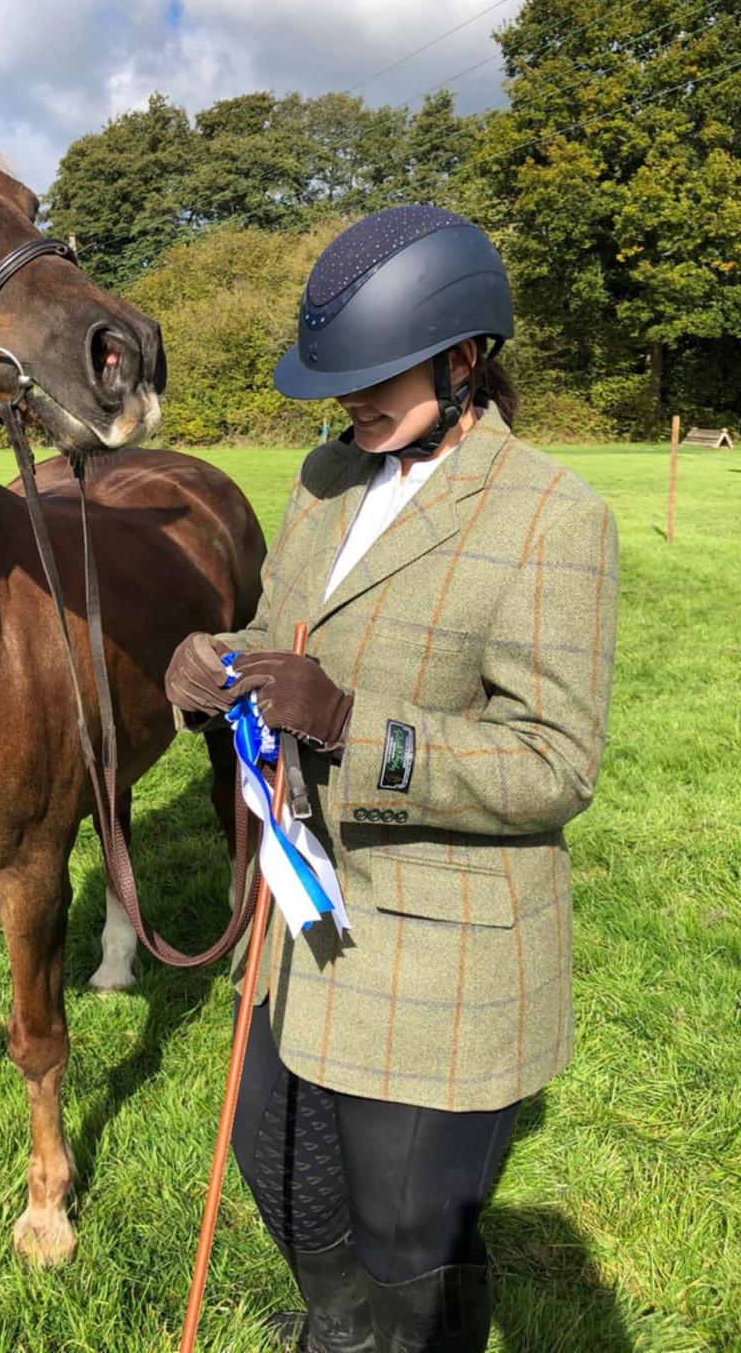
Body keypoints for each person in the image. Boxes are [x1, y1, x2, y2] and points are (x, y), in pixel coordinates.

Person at [165, 205, 618, 1353]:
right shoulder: (325, 476)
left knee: (409, 1236)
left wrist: (358, 728)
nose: (346, 404)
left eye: (374, 377)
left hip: (441, 954)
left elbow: (556, 760)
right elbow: (281, 628)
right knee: (270, 1152)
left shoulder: (551, 516)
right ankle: (342, 1325)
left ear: (466, 357)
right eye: (337, 380)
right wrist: (216, 664)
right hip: (306, 931)